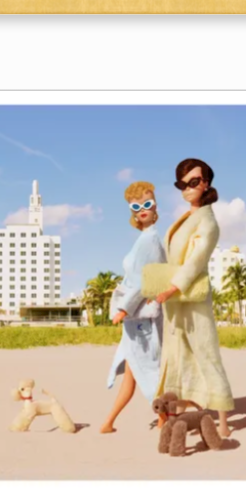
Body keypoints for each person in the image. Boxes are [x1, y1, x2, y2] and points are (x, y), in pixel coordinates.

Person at [154, 159, 235, 438]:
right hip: (175, 299)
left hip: (191, 295)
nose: (186, 189)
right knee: (175, 355)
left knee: (205, 352)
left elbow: (195, 262)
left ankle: (223, 421)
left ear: (205, 183)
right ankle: (172, 414)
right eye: (181, 184)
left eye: (192, 183)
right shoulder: (186, 217)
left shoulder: (208, 221)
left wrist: (171, 288)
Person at [100, 181, 167, 434]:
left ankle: (164, 418)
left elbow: (143, 280)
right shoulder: (144, 238)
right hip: (136, 319)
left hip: (140, 319)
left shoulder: (151, 239)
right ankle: (109, 422)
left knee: (149, 370)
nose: (142, 210)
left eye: (147, 204)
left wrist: (124, 309)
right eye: (136, 206)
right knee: (135, 371)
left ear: (155, 206)